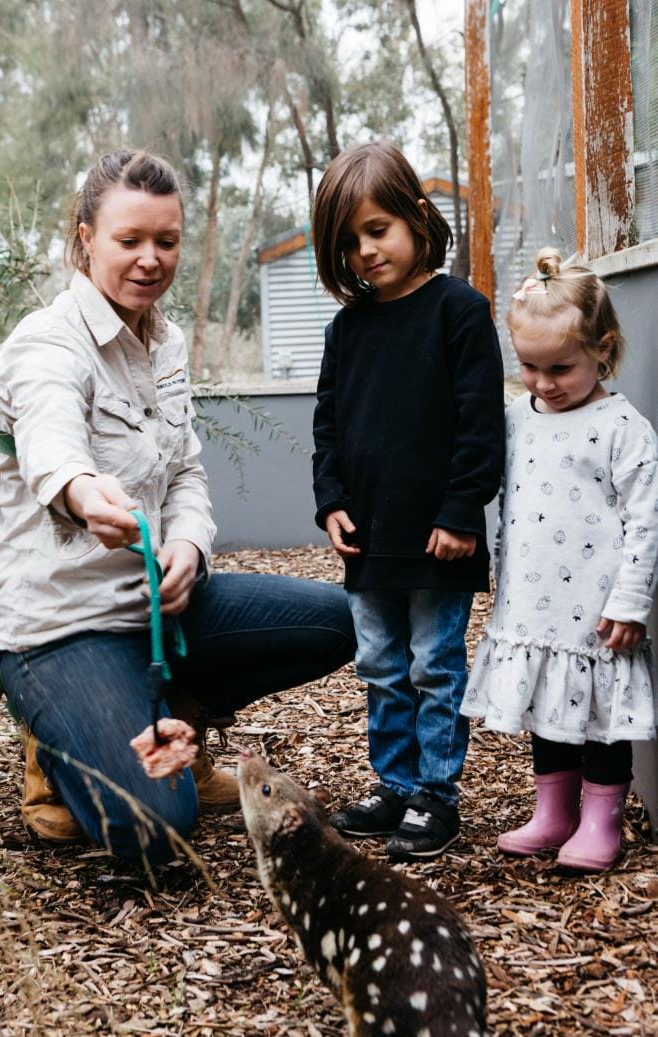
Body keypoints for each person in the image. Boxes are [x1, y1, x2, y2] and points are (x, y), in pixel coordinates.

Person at [0, 149, 355, 865]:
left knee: (339, 622)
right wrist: (86, 493)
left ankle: (173, 711)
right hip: (63, 629)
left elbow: (185, 471)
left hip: (160, 607)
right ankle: (53, 745)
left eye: (167, 240)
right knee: (159, 828)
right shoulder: (45, 346)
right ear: (86, 238)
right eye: (130, 240)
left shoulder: (165, 342)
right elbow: (52, 445)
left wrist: (189, 547)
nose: (151, 259)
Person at [311, 141, 505, 862]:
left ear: (419, 218)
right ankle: (393, 784)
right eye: (349, 241)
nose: (365, 251)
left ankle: (435, 793)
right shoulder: (347, 329)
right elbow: (327, 424)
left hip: (437, 538)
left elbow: (481, 426)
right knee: (381, 665)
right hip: (369, 537)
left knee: (433, 664)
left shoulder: (460, 311)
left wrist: (461, 513)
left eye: (377, 229)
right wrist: (330, 500)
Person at [461, 248, 657, 872]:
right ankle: (554, 813)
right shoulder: (517, 419)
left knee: (600, 717)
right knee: (551, 708)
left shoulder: (623, 427)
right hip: (534, 601)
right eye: (528, 367)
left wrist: (630, 601)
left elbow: (646, 521)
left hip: (598, 610)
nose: (543, 382)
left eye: (560, 367)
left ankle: (602, 819)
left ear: (604, 349)